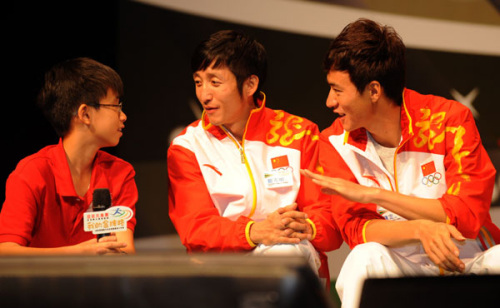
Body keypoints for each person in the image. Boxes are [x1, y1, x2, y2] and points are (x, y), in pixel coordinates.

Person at [301, 18, 500, 308]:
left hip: (469, 263)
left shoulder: (449, 120)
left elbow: (467, 216)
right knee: (363, 258)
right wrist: (420, 229)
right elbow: (357, 230)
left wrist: (375, 195)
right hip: (401, 272)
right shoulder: (333, 142)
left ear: (373, 91)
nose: (330, 101)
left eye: (338, 90)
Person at [167, 30, 342, 287]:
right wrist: (255, 231)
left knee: (285, 252)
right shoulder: (187, 146)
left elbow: (327, 217)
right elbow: (196, 227)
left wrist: (304, 226)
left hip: (290, 254)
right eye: (198, 82)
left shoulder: (300, 133)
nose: (204, 95)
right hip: (221, 269)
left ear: (250, 85)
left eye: (215, 83)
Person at [0, 57, 137, 255]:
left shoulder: (120, 173)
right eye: (116, 106)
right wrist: (76, 255)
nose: (123, 116)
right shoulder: (31, 173)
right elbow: (6, 253)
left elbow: (124, 251)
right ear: (85, 114)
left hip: (99, 286)